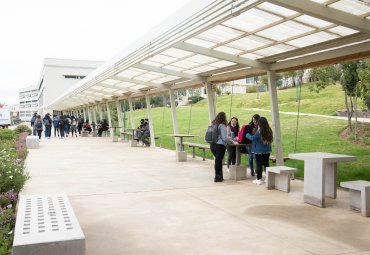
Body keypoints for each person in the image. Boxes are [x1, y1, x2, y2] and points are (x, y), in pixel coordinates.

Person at [246, 117, 273, 185]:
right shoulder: (269, 130)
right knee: (266, 164)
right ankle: (268, 178)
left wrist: (247, 135)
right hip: (267, 150)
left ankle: (258, 179)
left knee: (259, 165)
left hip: (259, 151)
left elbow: (253, 138)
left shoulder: (259, 131)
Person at [210, 112, 234, 182]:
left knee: (218, 161)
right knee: (218, 161)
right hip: (219, 146)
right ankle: (218, 177)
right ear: (224, 118)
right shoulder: (222, 126)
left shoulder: (213, 124)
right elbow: (224, 138)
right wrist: (231, 141)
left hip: (212, 145)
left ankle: (218, 176)